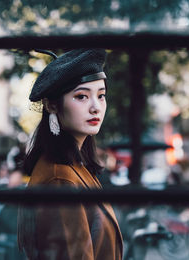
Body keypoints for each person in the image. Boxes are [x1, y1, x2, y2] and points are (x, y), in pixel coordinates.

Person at [17, 49, 123, 259]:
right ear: (52, 105)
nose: (96, 107)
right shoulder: (60, 179)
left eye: (101, 95)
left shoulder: (76, 167)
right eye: (81, 96)